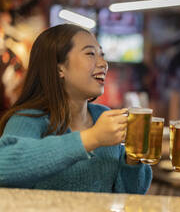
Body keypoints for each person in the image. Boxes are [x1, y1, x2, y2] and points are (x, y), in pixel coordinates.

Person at [0, 24, 152, 193]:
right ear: (59, 68)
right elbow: (4, 167)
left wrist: (132, 158)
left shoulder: (103, 116)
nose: (103, 64)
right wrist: (92, 138)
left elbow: (131, 194)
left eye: (102, 55)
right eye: (90, 54)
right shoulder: (29, 119)